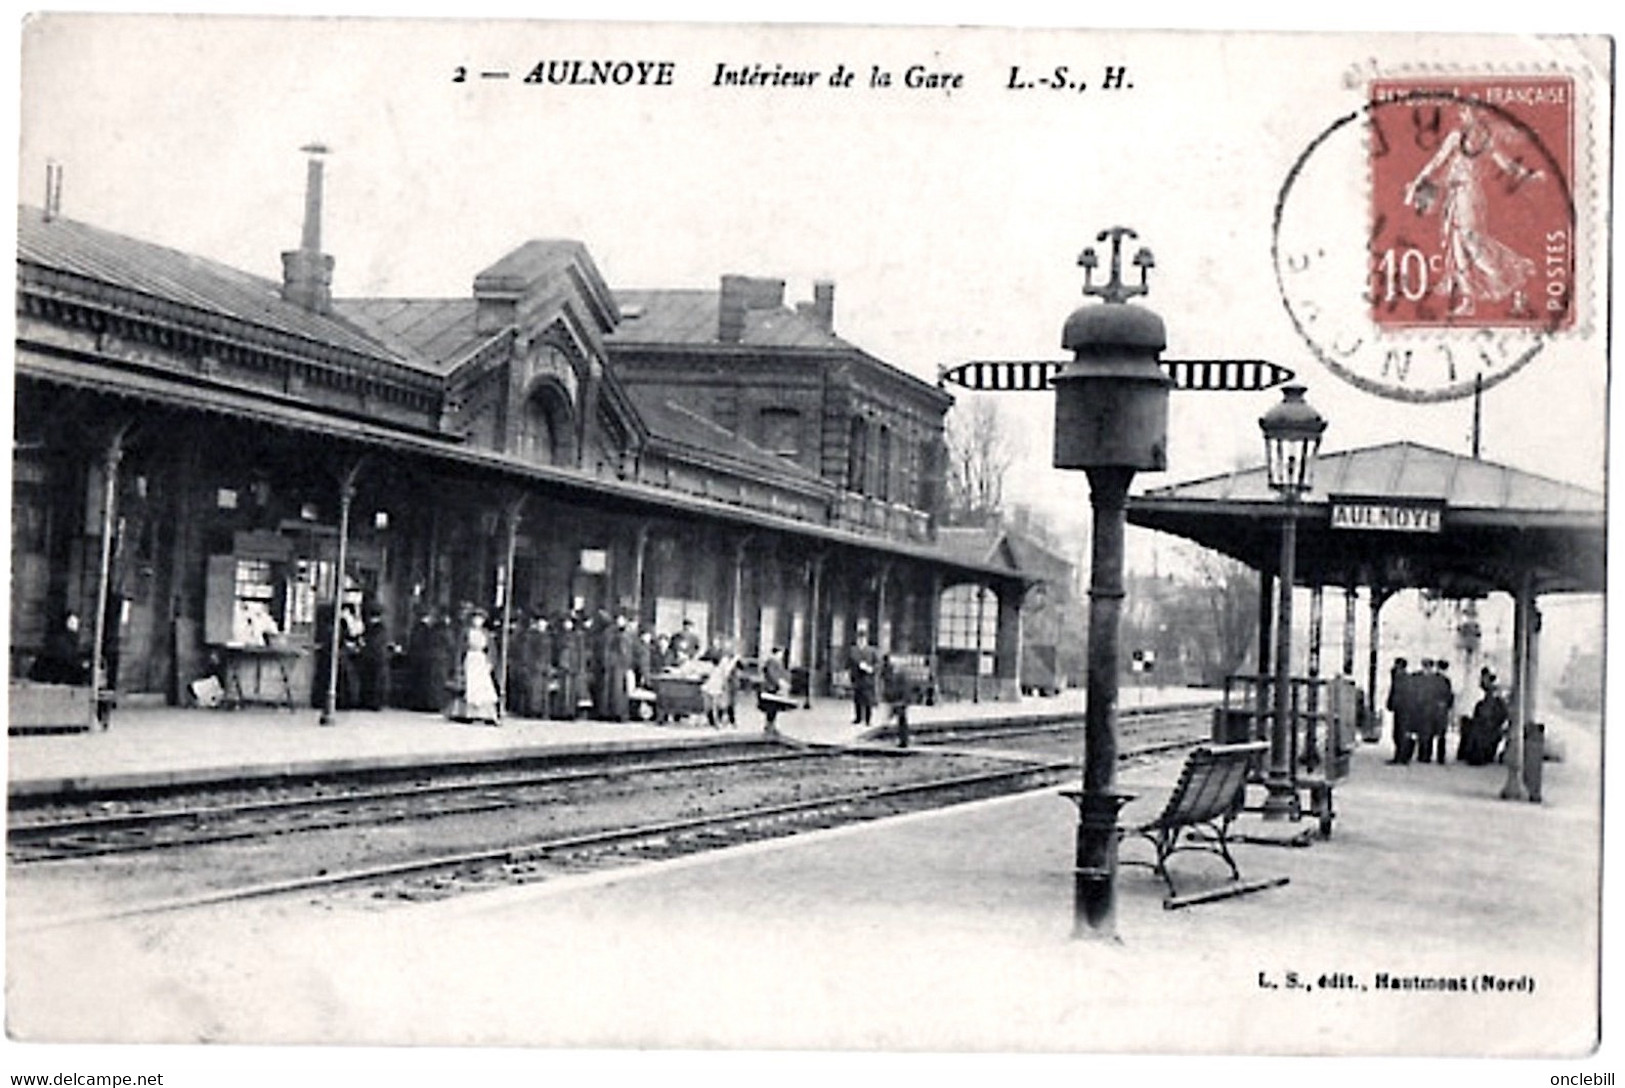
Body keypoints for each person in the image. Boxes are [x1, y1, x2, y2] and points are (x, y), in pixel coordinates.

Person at [454, 608, 501, 725]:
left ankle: (486, 714)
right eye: (476, 619)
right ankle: (468, 713)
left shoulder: (486, 633)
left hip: (481, 660)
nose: (478, 621)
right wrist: (459, 663)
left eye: (480, 619)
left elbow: (492, 649)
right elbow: (460, 648)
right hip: (470, 659)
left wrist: (490, 662)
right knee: (471, 686)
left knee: (484, 686)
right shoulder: (466, 632)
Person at [1459, 667, 1509, 766]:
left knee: (1479, 734)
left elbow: (1501, 715)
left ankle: (1478, 754)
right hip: (1483, 724)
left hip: (1490, 725)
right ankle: (1473, 754)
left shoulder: (1497, 699)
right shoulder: (1484, 698)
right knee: (1473, 730)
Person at [757, 645, 794, 737]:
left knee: (773, 709)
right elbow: (772, 675)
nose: (781, 655)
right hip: (770, 689)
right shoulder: (772, 662)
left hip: (774, 689)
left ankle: (771, 726)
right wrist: (779, 683)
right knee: (771, 708)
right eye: (780, 653)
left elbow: (782, 674)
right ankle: (769, 726)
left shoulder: (777, 663)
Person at [1385, 656, 1416, 764]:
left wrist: (1391, 704)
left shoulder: (1401, 678)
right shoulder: (1404, 678)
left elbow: (1396, 693)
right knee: (1399, 733)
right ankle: (1401, 756)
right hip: (1403, 709)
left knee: (1400, 734)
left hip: (1403, 710)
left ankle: (1401, 757)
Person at [847, 631, 880, 727]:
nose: (861, 641)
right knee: (857, 698)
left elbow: (878, 663)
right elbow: (849, 662)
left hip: (868, 678)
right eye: (859, 640)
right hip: (857, 678)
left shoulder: (872, 651)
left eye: (863, 640)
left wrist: (871, 668)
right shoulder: (853, 651)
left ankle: (868, 719)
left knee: (868, 700)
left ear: (866, 640)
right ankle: (858, 717)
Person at [881, 653, 912, 749]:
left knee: (901, 720)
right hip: (896, 699)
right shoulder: (891, 674)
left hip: (900, 700)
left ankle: (903, 740)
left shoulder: (901, 676)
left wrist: (902, 700)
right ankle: (902, 739)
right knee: (900, 720)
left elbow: (905, 689)